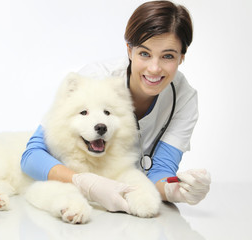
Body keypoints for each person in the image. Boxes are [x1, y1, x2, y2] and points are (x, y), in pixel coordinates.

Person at [21, 0, 211, 212]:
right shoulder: (94, 79)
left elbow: (161, 170)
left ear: (181, 57)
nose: (154, 68)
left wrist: (175, 191)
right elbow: (32, 156)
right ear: (129, 50)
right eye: (145, 53)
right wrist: (84, 182)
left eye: (168, 56)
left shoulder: (184, 98)